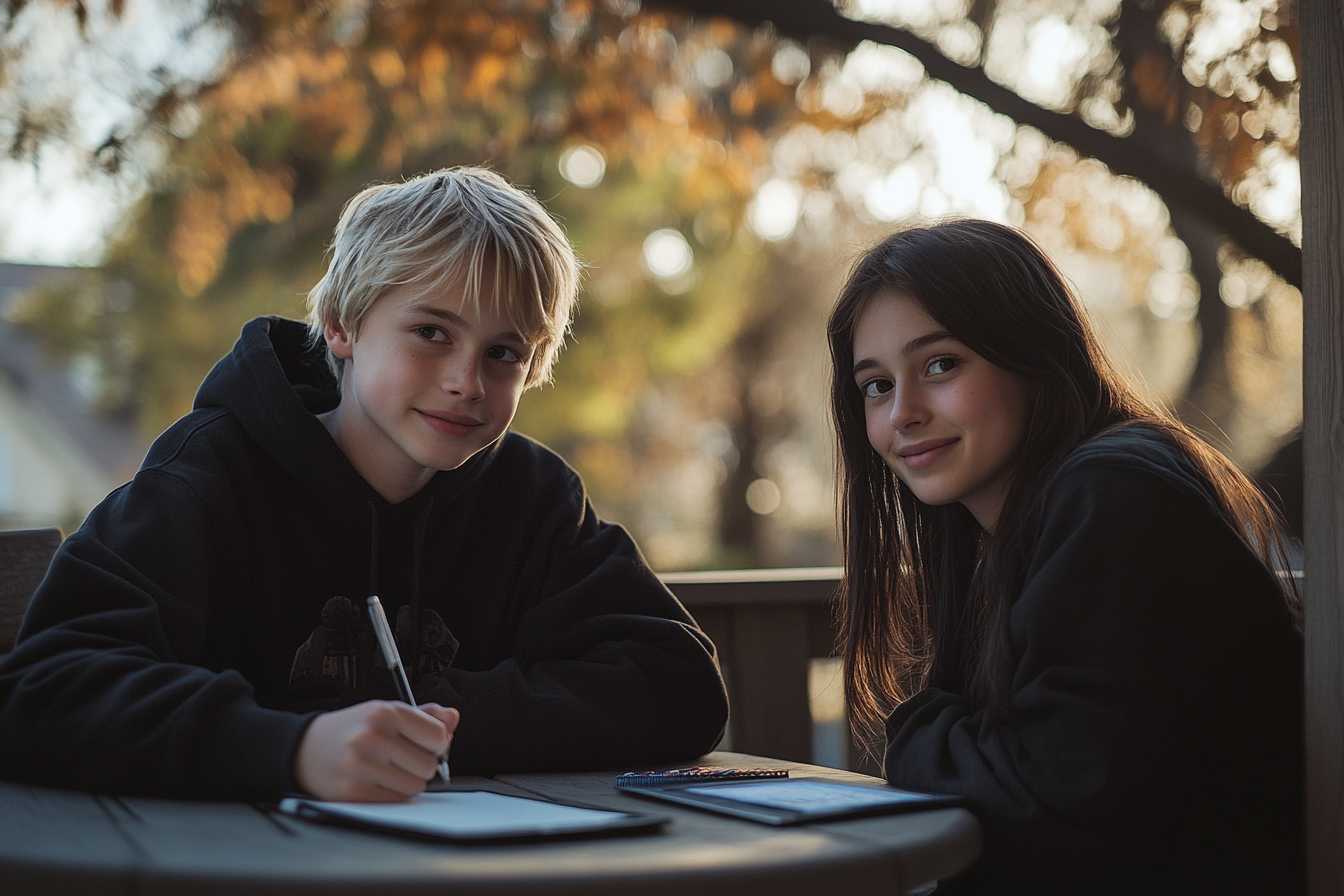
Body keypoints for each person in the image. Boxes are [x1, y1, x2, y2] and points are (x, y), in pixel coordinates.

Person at [0, 167, 728, 802]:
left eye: (504, 352)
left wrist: (426, 725)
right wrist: (292, 746)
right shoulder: (210, 476)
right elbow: (43, 689)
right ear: (342, 326)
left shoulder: (534, 498)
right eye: (432, 332)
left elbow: (678, 686)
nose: (466, 381)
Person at [826, 219, 1303, 894]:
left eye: (940, 364)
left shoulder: (1115, 494)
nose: (902, 412)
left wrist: (919, 732)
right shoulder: (1016, 532)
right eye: (876, 385)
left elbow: (1053, 805)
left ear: (1030, 354)